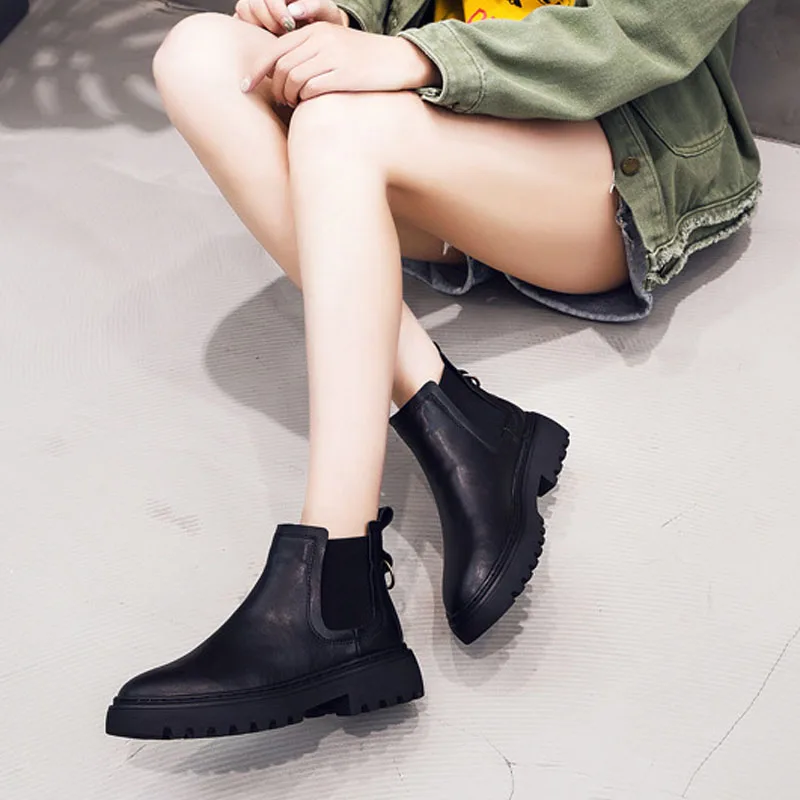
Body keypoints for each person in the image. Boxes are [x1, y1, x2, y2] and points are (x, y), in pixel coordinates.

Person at [105, 0, 760, 740]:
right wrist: (337, 15)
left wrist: (419, 59)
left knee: (337, 125)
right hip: (442, 133)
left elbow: (647, 30)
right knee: (198, 55)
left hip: (607, 167)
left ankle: (337, 583)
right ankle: (458, 420)